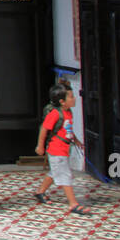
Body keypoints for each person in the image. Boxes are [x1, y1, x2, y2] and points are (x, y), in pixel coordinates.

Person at [35, 83, 90, 215]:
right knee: (65, 175)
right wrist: (40, 146)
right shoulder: (55, 114)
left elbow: (67, 130)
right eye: (71, 97)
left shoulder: (68, 112)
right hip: (56, 150)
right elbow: (44, 129)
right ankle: (73, 204)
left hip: (65, 148)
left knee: (55, 173)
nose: (74, 99)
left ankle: (40, 192)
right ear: (62, 102)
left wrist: (76, 141)